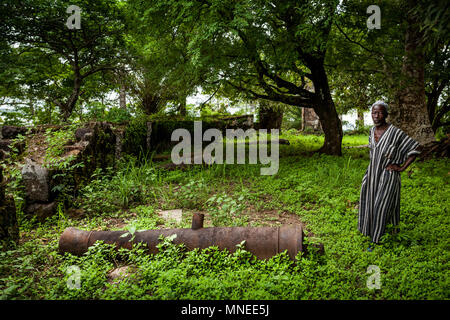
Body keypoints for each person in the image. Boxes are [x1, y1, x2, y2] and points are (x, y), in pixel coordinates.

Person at [358, 101, 421, 249]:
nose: (376, 115)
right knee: (369, 202)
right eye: (374, 112)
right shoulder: (371, 131)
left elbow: (415, 148)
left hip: (388, 175)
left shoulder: (395, 132)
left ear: (386, 114)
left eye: (379, 112)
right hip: (372, 175)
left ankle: (376, 240)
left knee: (382, 205)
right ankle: (371, 231)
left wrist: (401, 168)